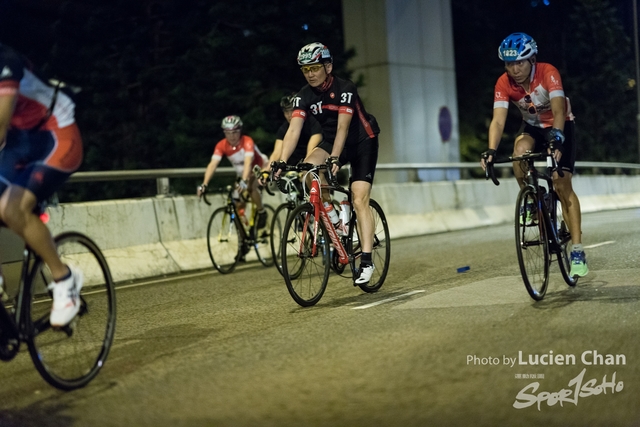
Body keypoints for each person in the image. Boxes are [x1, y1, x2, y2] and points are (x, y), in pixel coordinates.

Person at [480, 32, 588, 277]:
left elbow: (559, 110)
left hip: (560, 125)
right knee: (519, 152)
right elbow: (498, 121)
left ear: (532, 59)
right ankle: (532, 198)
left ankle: (578, 250)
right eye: (509, 64)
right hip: (533, 127)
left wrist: (557, 138)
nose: (514, 69)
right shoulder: (503, 83)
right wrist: (491, 151)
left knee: (562, 183)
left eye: (519, 62)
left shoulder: (548, 72)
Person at [274, 42, 380, 285]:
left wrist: (335, 158)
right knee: (308, 172)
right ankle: (333, 217)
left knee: (358, 197)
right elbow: (293, 131)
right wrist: (281, 161)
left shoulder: (345, 88)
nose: (310, 73)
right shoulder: (303, 96)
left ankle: (366, 260)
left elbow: (343, 127)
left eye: (314, 68)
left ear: (328, 66)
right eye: (305, 69)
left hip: (362, 140)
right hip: (332, 142)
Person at [0, 43, 84, 326]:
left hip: (57, 135)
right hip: (21, 144)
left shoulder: (6, 61)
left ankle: (65, 280)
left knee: (12, 209)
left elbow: (0, 127)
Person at [197, 115, 269, 229]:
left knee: (250, 188)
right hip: (242, 173)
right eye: (228, 132)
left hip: (259, 168)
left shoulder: (247, 142)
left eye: (235, 132)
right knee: (236, 202)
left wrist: (244, 181)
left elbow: (248, 163)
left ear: (240, 130)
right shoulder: (221, 145)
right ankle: (243, 237)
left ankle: (262, 212)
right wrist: (204, 184)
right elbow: (212, 165)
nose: (232, 136)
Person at [268, 94, 323, 167]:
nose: (289, 115)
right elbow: (277, 153)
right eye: (286, 112)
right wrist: (266, 170)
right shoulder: (284, 128)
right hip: (294, 163)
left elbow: (312, 148)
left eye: (292, 111)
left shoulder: (313, 122)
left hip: (314, 159)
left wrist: (305, 165)